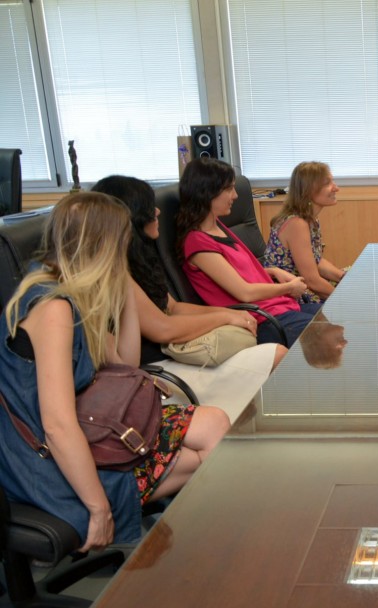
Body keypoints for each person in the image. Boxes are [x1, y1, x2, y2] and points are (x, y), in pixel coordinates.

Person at [0, 192, 230, 549]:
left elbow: (124, 363)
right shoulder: (52, 309)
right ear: (107, 245)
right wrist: (98, 510)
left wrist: (123, 286)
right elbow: (57, 426)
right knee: (203, 458)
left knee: (214, 422)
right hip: (43, 460)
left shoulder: (74, 292)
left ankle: (203, 549)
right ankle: (203, 556)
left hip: (90, 426)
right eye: (122, 243)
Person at [91, 175, 274, 366]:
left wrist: (231, 315)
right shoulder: (116, 274)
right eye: (148, 208)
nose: (158, 211)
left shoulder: (140, 260)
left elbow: (174, 308)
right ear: (130, 217)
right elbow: (164, 328)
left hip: (177, 350)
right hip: (162, 363)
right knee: (275, 356)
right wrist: (225, 316)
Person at [176, 158, 320, 346]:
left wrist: (272, 271)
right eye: (228, 189)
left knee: (340, 317)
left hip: (278, 307)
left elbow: (234, 273)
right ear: (207, 192)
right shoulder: (197, 242)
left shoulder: (217, 226)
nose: (235, 195)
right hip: (263, 320)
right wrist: (289, 288)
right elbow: (244, 293)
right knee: (328, 332)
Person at [263, 162, 346, 303]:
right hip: (291, 297)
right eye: (327, 183)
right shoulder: (296, 224)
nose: (336, 188)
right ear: (309, 190)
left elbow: (315, 261)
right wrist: (345, 300)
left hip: (304, 289)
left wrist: (344, 277)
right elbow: (311, 281)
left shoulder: (309, 219)